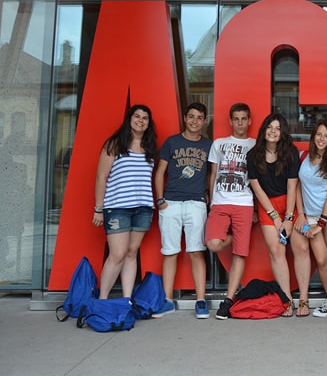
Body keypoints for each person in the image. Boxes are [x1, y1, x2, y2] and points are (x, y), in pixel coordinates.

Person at [152, 102, 212, 319]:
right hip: (171, 203)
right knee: (170, 252)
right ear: (185, 118)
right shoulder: (172, 142)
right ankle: (168, 300)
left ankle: (200, 300)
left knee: (197, 251)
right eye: (191, 116)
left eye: (199, 117)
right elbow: (160, 172)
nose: (195, 121)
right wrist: (160, 201)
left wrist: (208, 197)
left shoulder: (208, 145)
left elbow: (211, 174)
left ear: (204, 121)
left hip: (196, 203)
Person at [92, 104, 157, 299]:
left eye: (145, 118)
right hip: (118, 208)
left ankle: (127, 300)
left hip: (143, 208)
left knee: (131, 253)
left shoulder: (149, 148)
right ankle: (102, 300)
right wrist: (98, 208)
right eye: (137, 116)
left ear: (148, 123)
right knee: (117, 254)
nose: (140, 120)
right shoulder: (114, 144)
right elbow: (101, 177)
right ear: (129, 119)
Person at [205, 103, 256, 320]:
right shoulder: (219, 143)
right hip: (220, 201)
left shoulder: (255, 145)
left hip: (244, 203)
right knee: (213, 243)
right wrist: (211, 200)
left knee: (239, 253)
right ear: (230, 121)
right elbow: (213, 173)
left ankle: (228, 300)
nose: (240, 123)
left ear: (250, 120)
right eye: (236, 119)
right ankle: (238, 238)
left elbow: (257, 179)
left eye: (244, 119)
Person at [247, 113, 300, 317]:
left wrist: (287, 217)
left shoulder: (291, 152)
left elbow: (292, 184)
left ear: (283, 133)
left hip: (289, 202)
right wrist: (275, 217)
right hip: (266, 205)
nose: (273, 131)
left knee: (300, 246)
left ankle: (302, 297)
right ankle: (287, 299)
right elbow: (257, 188)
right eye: (269, 127)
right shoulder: (253, 155)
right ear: (263, 129)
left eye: (278, 128)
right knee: (276, 250)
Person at [294, 119, 327, 317]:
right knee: (322, 260)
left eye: (326, 135)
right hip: (311, 215)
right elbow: (298, 186)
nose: (321, 139)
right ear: (313, 136)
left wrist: (321, 223)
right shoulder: (303, 157)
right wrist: (301, 214)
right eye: (318, 134)